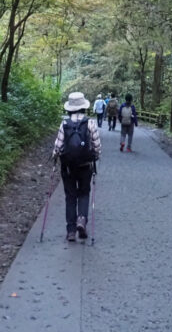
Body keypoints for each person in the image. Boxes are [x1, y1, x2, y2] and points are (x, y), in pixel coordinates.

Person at [53, 92, 101, 242]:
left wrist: (55, 158)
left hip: (68, 166)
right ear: (83, 107)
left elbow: (58, 146)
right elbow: (97, 146)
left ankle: (71, 231)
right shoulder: (90, 123)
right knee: (84, 193)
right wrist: (94, 157)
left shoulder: (65, 124)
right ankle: (82, 219)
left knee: (70, 196)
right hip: (85, 165)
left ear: (70, 108)